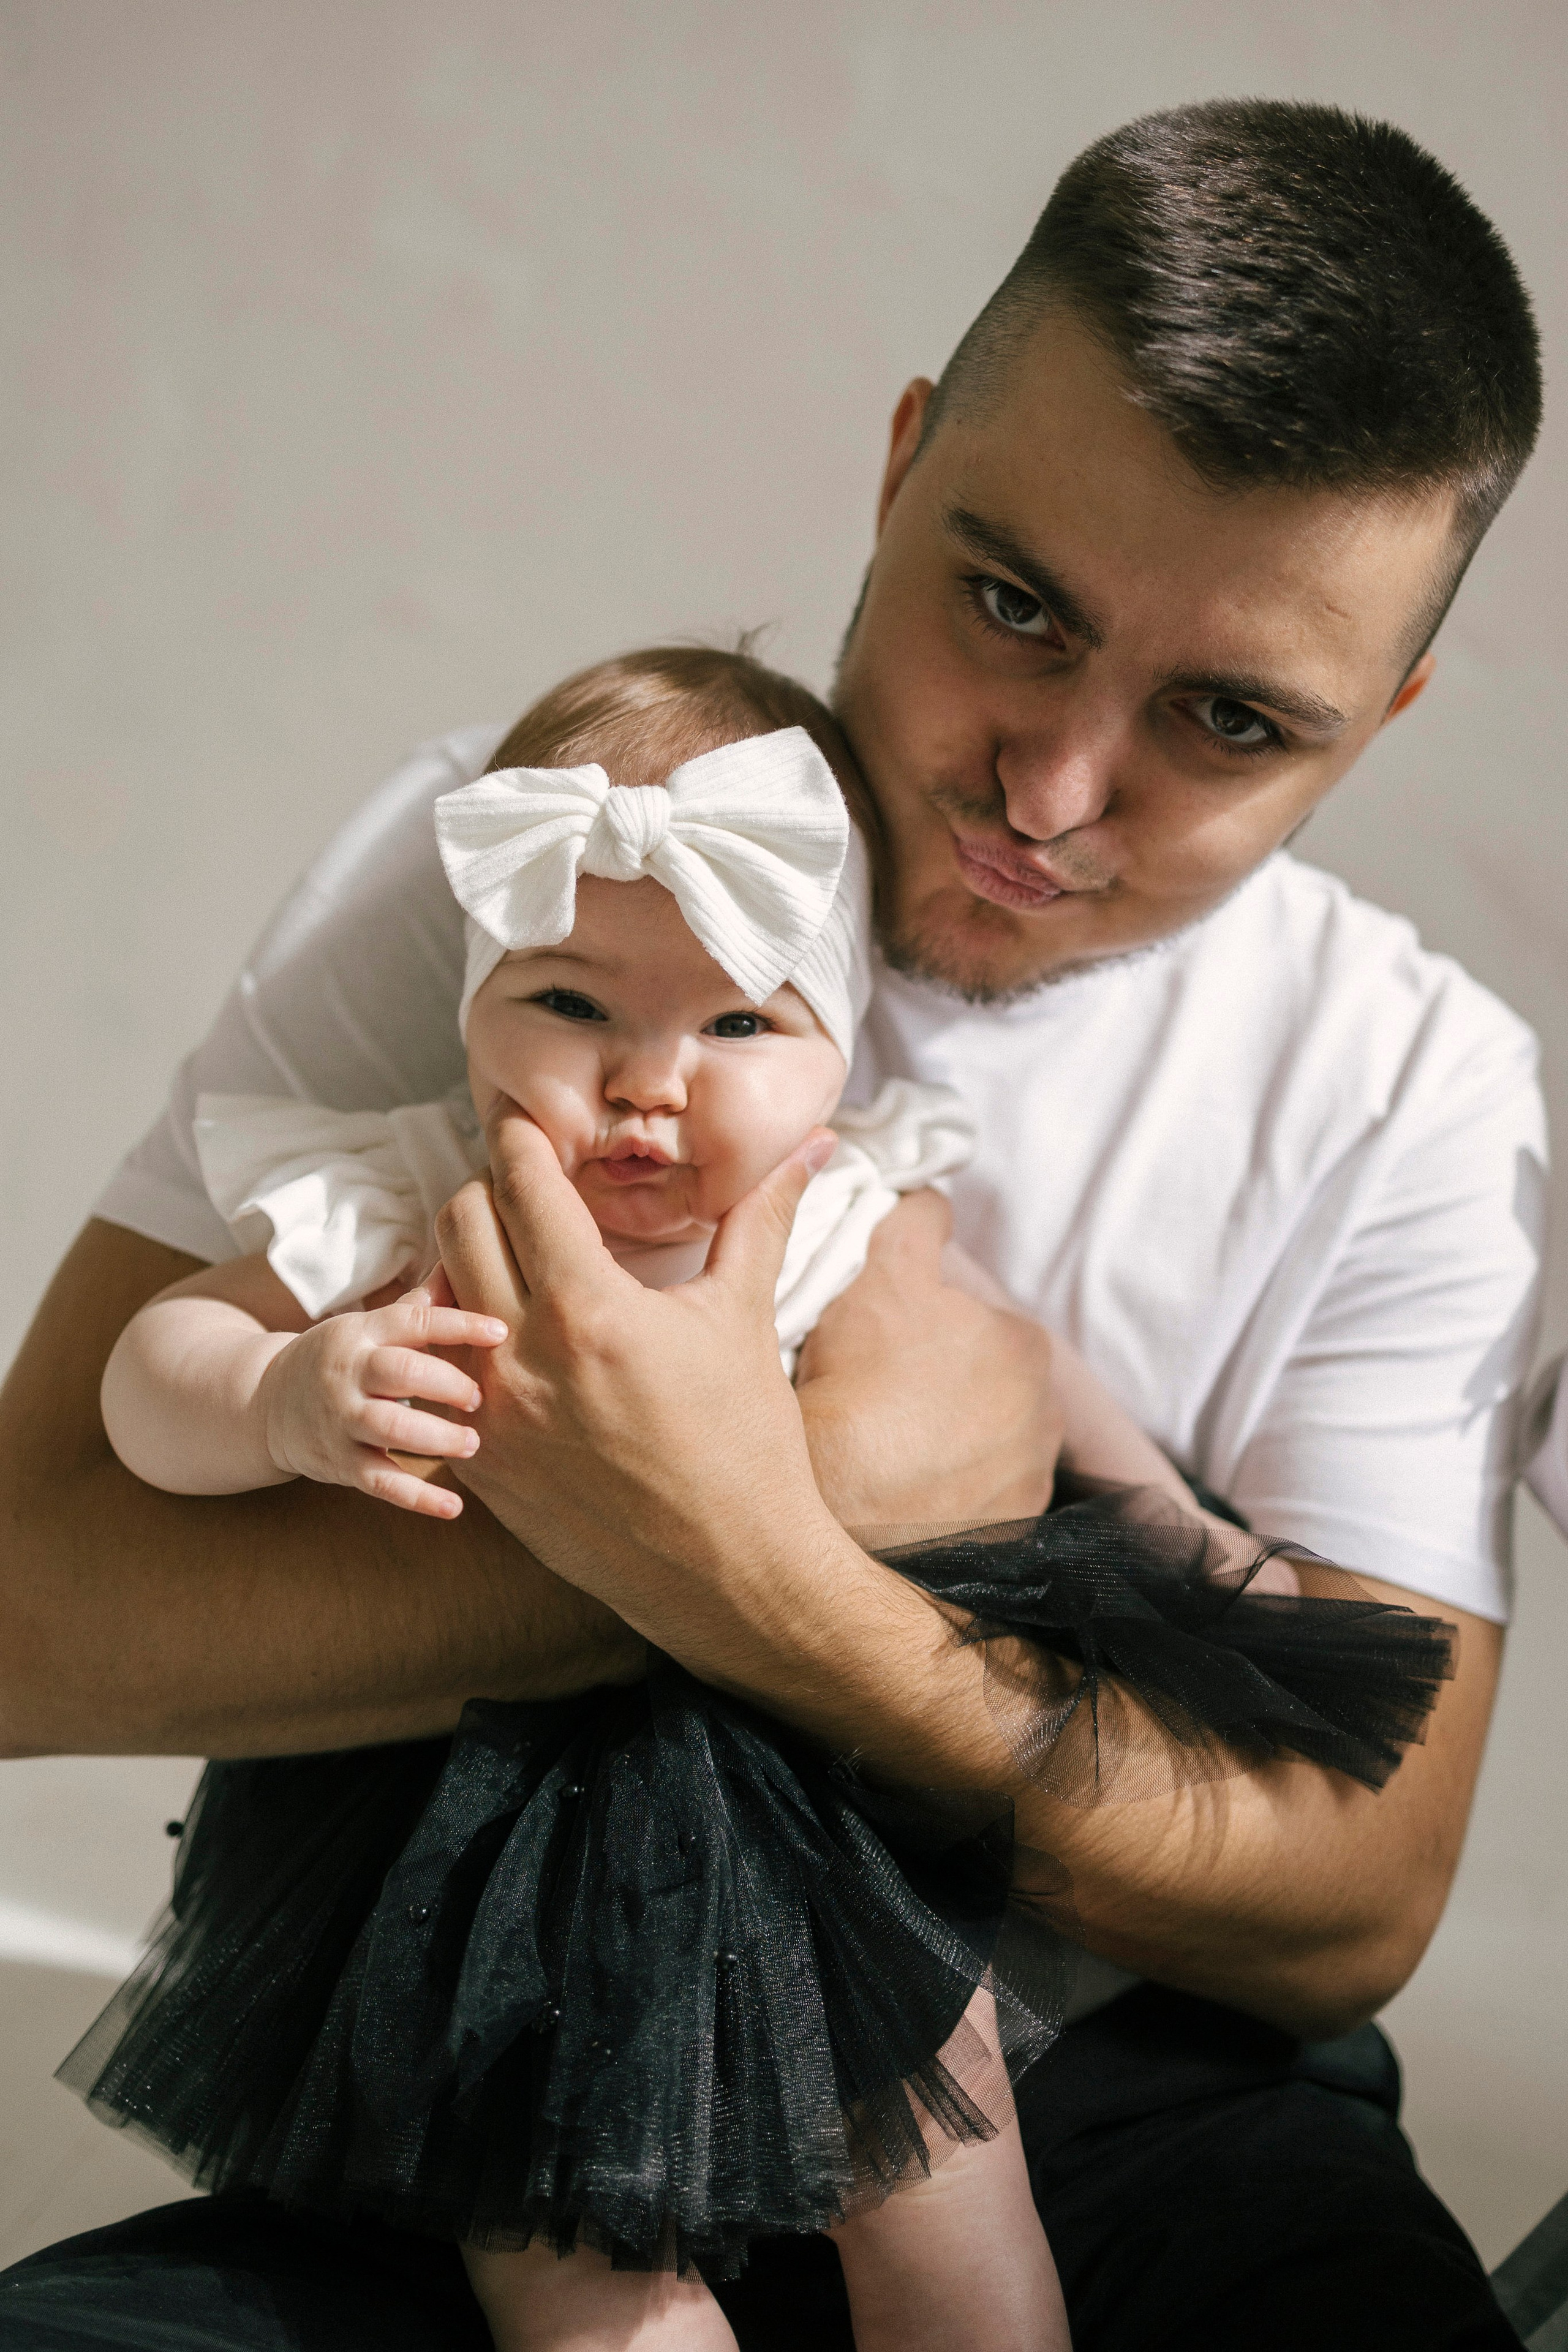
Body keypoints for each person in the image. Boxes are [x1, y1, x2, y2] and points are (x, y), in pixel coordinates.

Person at [0, 97, 1545, 2351]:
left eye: (1228, 720)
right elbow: (30, 1614)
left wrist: (779, 1583)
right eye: (1014, 607)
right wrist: (761, 1507)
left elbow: (1345, 1900)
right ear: (903, 463)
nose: (1052, 792)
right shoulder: (529, 854)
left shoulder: (1417, 1092)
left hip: (1135, 2097)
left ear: (1379, 720)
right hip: (504, 2039)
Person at [62, 644, 1453, 2352]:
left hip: (821, 1797)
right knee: (563, 2241)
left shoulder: (851, 1198)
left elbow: (1028, 1370)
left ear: (839, 1045)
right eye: (569, 1004)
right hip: (490, 1814)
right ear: (473, 1002)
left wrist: (1172, 1525)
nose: (650, 1082)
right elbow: (151, 1370)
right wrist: (280, 1393)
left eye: (739, 1023)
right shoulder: (411, 1192)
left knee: (942, 2161)